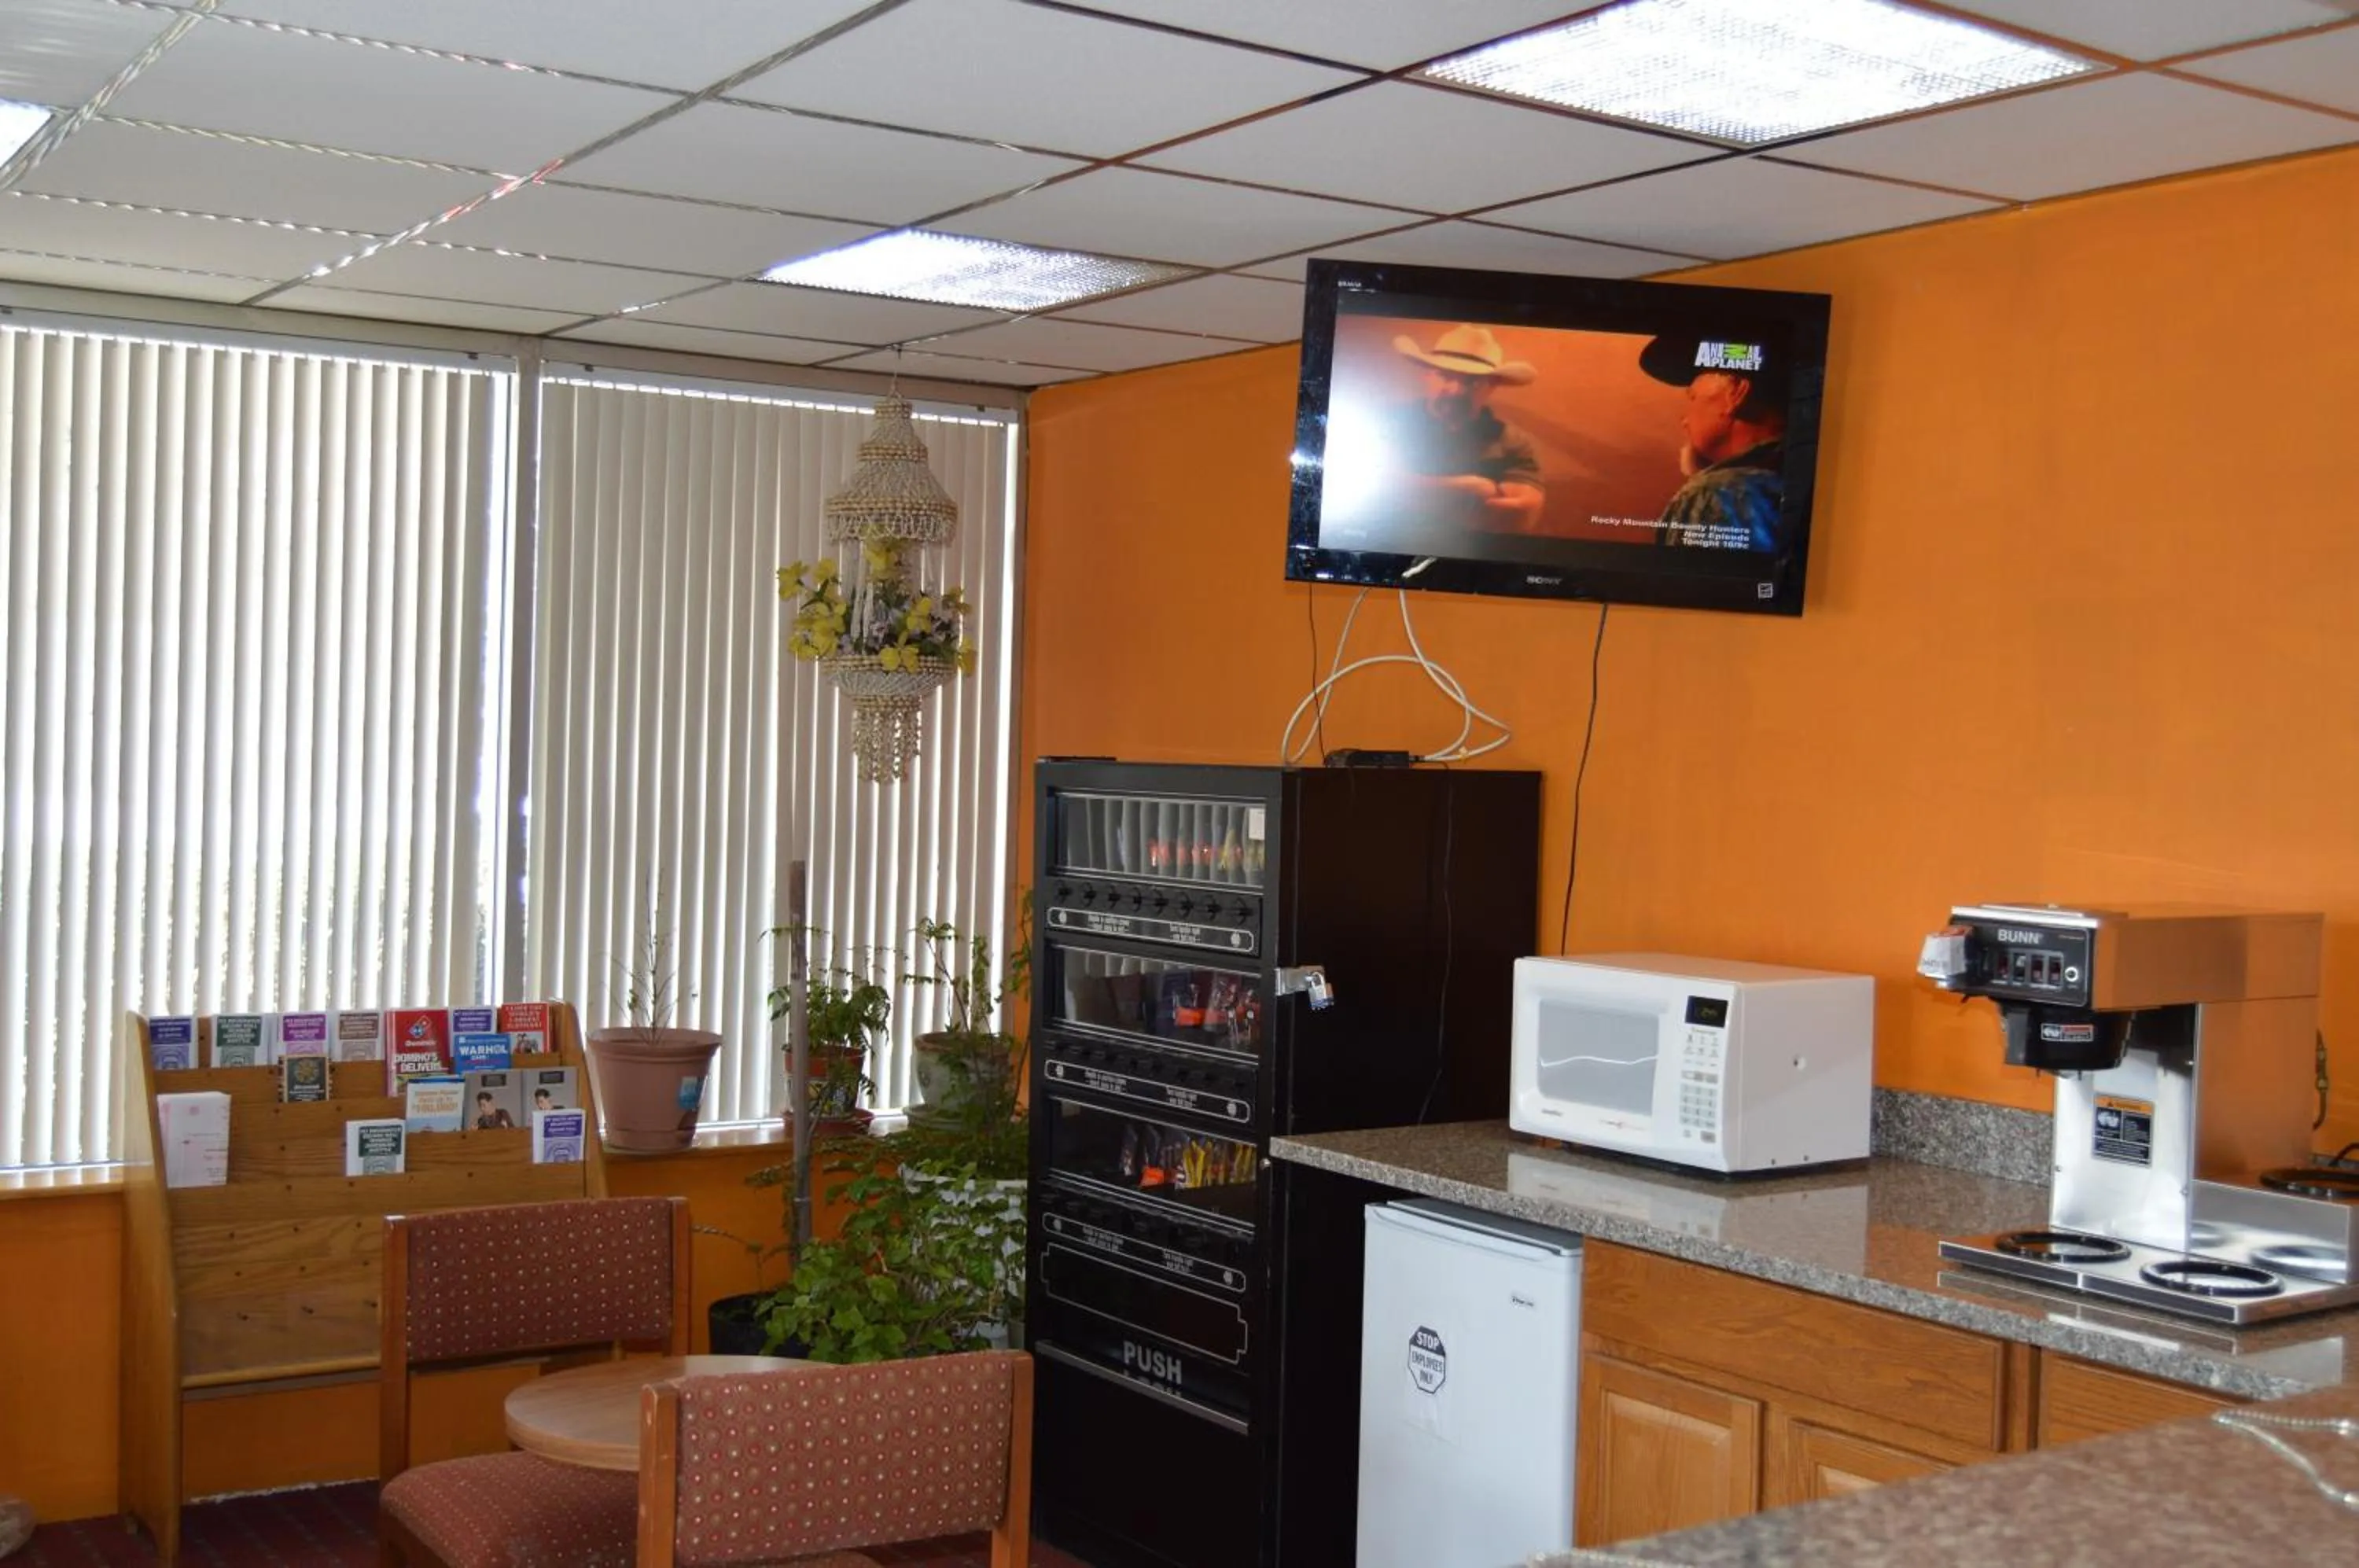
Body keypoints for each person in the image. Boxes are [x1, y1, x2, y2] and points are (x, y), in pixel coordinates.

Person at [1372, 324, 1547, 539]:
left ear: (1492, 386)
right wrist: (1474, 488)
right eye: (1445, 376)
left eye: (1472, 381)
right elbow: (1365, 494)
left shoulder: (1513, 441)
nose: (1456, 390)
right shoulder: (1383, 423)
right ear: (1427, 375)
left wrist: (1410, 492)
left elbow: (1520, 517)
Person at [1640, 335, 1790, 552]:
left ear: (1736, 393)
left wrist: (1704, 497)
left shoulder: (1714, 493)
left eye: (1692, 397)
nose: (1685, 420)